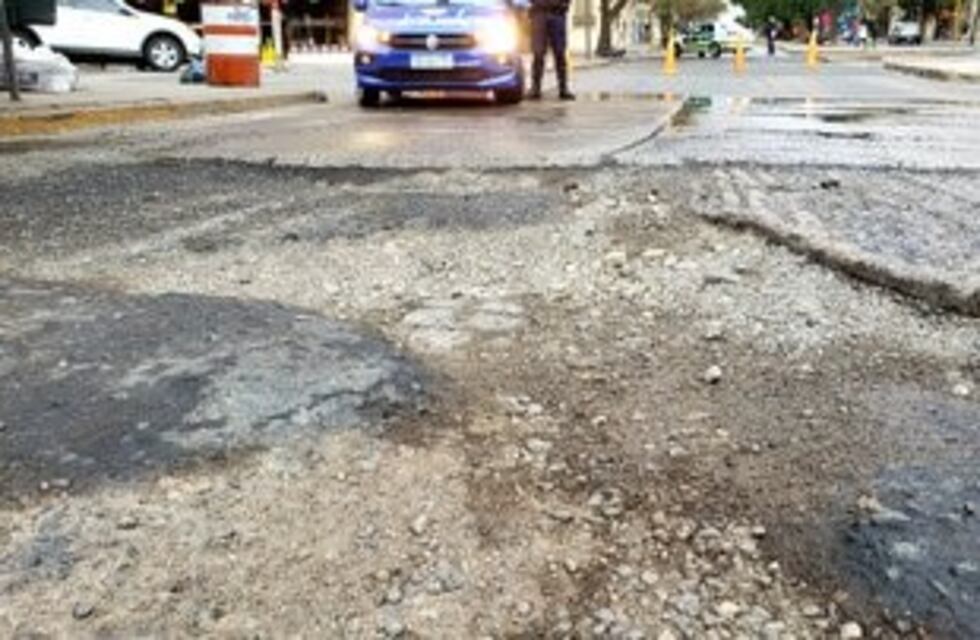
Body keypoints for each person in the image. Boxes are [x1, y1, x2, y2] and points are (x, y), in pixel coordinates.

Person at [528, 0, 574, 101]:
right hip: (539, 13)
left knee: (560, 52)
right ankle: (536, 88)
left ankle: (563, 88)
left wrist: (564, 5)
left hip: (557, 13)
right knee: (538, 53)